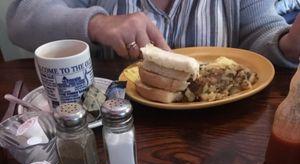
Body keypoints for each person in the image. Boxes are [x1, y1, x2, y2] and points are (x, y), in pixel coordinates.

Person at [6, 0, 300, 67]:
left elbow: (260, 34)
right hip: (119, 128)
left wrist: (287, 44)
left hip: (222, 135)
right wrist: (96, 23)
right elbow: (21, 18)